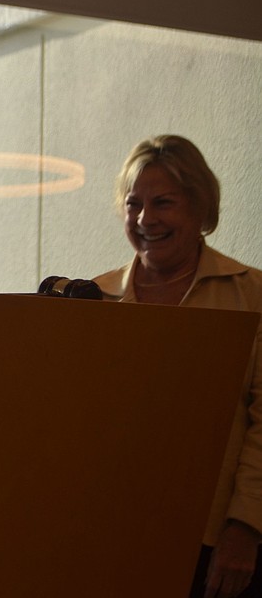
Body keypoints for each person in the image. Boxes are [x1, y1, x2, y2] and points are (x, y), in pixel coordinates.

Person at [93, 134, 262, 598]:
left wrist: (246, 527)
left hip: (217, 546)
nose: (145, 219)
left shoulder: (252, 295)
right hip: (111, 537)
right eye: (134, 204)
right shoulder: (93, 299)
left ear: (200, 206)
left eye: (163, 203)